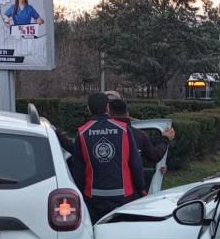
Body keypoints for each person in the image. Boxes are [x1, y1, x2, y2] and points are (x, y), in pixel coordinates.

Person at [71, 92, 146, 223]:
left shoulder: (82, 132)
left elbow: (78, 170)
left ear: (88, 108)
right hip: (123, 195)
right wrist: (142, 190)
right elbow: (135, 163)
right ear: (107, 107)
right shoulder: (123, 129)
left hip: (94, 198)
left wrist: (79, 194)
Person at [107, 98, 175, 185]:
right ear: (127, 114)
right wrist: (165, 140)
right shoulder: (139, 135)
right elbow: (154, 155)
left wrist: (161, 167)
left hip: (104, 187)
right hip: (131, 187)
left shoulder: (98, 135)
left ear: (108, 114)